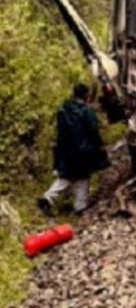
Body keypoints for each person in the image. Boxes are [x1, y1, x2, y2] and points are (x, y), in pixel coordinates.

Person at [38, 83, 107, 215]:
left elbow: (60, 131)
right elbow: (93, 130)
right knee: (83, 178)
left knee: (66, 176)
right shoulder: (87, 111)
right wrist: (99, 145)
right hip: (84, 149)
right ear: (86, 95)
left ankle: (48, 197)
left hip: (65, 149)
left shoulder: (63, 109)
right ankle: (80, 206)